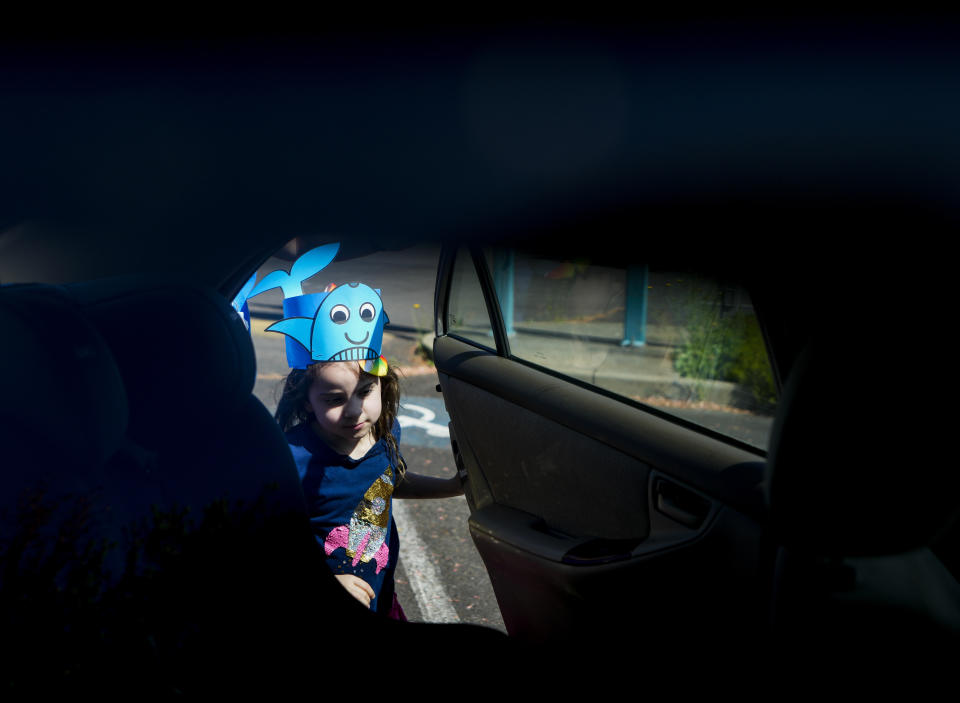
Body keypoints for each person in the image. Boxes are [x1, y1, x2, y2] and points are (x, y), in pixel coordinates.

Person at [274, 359, 462, 619]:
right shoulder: (290, 456)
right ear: (307, 400)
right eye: (334, 400)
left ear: (381, 385)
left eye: (364, 392)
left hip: (380, 595)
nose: (354, 410)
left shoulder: (386, 430)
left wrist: (451, 486)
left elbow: (386, 483)